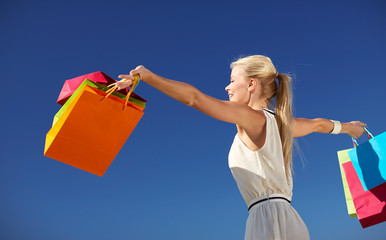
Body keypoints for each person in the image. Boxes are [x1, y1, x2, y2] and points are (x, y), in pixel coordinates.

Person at [117, 55, 366, 240]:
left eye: (232, 80)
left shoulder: (249, 116)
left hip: (266, 222)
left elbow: (194, 98)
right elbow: (318, 125)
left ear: (251, 85)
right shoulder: (282, 124)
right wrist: (349, 127)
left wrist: (147, 77)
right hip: (291, 220)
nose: (227, 87)